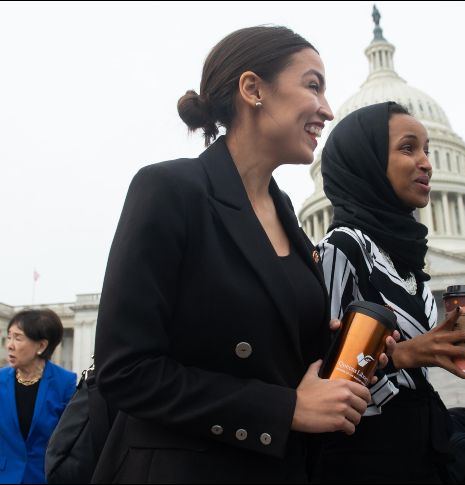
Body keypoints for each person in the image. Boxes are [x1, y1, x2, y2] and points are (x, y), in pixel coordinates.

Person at [92, 26, 380, 483]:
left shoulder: (284, 209)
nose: (327, 109)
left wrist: (347, 350)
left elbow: (273, 352)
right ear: (253, 89)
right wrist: (284, 409)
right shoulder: (170, 189)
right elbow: (126, 370)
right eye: (312, 85)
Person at [313, 101, 465, 483]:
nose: (426, 162)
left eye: (428, 150)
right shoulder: (342, 247)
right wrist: (401, 357)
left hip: (421, 444)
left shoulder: (407, 260)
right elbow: (322, 369)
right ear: (365, 162)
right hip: (365, 456)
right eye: (407, 148)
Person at [1, 309, 76, 484]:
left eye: (18, 338)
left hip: (44, 477)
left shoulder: (65, 383)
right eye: (9, 336)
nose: (9, 345)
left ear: (41, 346)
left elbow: (70, 441)